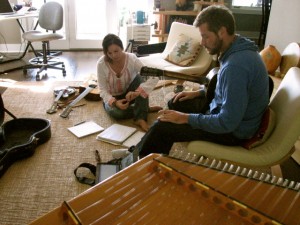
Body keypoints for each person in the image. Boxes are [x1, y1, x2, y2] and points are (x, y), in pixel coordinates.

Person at [135, 5, 270, 157]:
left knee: (163, 127)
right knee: (176, 102)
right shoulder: (238, 47)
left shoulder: (236, 66)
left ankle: (139, 162)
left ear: (222, 32)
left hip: (234, 132)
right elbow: (230, 90)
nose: (203, 42)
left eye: (206, 36)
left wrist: (185, 118)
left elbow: (227, 123)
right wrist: (200, 92)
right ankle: (137, 151)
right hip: (228, 114)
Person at [97, 34, 161, 132]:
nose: (113, 56)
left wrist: (138, 92)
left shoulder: (131, 58)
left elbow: (154, 76)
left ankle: (140, 118)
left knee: (142, 78)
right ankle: (143, 108)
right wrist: (114, 102)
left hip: (131, 93)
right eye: (109, 53)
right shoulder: (101, 64)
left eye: (116, 51)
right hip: (113, 98)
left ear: (122, 48)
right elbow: (102, 90)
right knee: (118, 114)